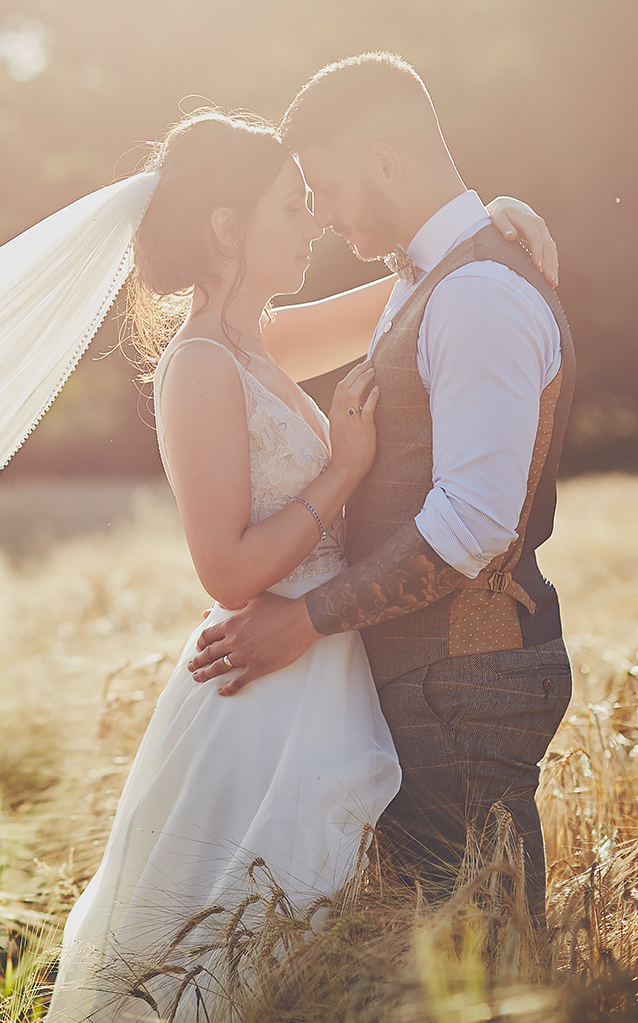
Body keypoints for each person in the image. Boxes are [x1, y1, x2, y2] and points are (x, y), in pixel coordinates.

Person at [45, 106, 558, 1023]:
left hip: (325, 664)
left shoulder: (259, 344)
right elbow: (226, 571)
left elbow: (420, 282)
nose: (315, 220)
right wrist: (344, 472)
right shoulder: (198, 362)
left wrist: (498, 219)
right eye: (292, 205)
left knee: (311, 946)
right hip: (267, 681)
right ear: (226, 228)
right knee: (234, 955)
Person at [189, 54, 574, 927]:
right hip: (421, 685)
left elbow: (474, 522)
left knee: (487, 969)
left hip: (464, 679)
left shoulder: (474, 291)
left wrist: (306, 617)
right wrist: (490, 217)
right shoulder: (429, 279)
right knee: (445, 964)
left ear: (385, 163)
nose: (318, 217)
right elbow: (282, 340)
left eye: (321, 187)